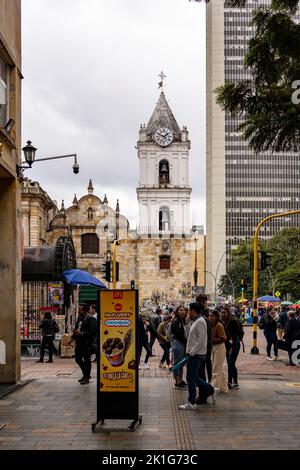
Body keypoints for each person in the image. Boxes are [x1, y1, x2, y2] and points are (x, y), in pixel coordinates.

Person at [179, 303, 215, 410]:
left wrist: (191, 352)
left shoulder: (200, 322)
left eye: (190, 311)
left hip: (196, 355)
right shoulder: (195, 321)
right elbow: (189, 335)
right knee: (194, 377)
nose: (188, 312)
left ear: (194, 311)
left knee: (190, 378)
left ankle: (192, 402)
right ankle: (210, 389)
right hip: (194, 353)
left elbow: (201, 340)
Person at [73, 304, 97, 384]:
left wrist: (82, 333)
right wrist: (72, 338)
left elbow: (93, 332)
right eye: (79, 309)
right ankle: (85, 374)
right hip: (79, 342)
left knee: (87, 360)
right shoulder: (79, 318)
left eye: (80, 310)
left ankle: (86, 377)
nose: (79, 311)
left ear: (85, 311)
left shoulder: (91, 319)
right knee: (78, 359)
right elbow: (77, 328)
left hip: (87, 343)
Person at [221, 306, 242, 390]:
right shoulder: (224, 322)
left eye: (224, 312)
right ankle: (229, 381)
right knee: (229, 363)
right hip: (228, 345)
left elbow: (234, 336)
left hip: (234, 345)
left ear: (228, 313)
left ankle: (235, 382)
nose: (223, 314)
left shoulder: (232, 321)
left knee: (231, 363)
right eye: (222, 312)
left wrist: (231, 348)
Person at [209, 310, 228, 393]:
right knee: (220, 368)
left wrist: (212, 340)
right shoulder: (212, 325)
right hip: (215, 348)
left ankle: (213, 387)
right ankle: (223, 388)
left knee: (216, 368)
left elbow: (223, 338)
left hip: (219, 348)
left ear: (216, 317)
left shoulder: (219, 325)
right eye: (209, 316)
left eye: (212, 316)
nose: (210, 317)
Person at [171, 306, 188, 388]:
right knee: (177, 362)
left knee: (181, 362)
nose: (182, 312)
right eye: (180, 310)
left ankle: (180, 379)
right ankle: (177, 380)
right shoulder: (176, 321)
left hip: (183, 343)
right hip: (178, 343)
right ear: (177, 312)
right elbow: (177, 334)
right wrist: (186, 340)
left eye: (184, 310)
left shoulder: (183, 321)